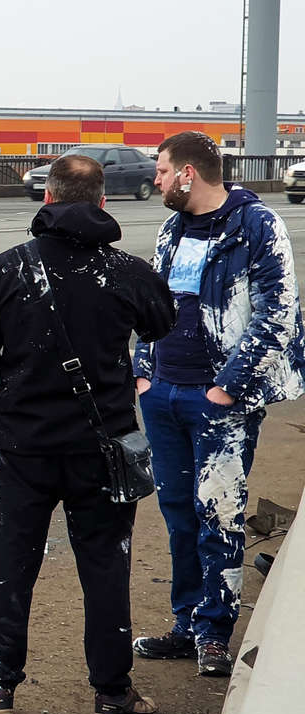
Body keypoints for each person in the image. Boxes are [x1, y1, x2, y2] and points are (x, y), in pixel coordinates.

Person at [0, 155, 175, 714]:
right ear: (103, 202)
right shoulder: (125, 271)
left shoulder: (5, 270)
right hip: (103, 453)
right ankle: (113, 694)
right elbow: (161, 323)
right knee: (105, 569)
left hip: (22, 452)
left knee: (10, 569)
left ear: (47, 199)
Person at [131, 131, 305, 677]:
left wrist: (228, 386)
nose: (156, 180)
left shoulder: (257, 226)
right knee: (179, 515)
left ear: (187, 173)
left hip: (219, 400)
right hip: (163, 394)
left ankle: (214, 631)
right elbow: (152, 302)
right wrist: (143, 370)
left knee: (220, 514)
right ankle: (186, 624)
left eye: (161, 171)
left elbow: (277, 314)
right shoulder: (172, 228)